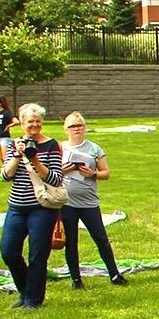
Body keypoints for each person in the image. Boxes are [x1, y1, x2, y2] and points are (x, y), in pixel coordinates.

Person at [0, 104, 65, 309]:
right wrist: (19, 155)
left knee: (37, 254)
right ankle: (25, 291)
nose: (34, 125)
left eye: (38, 121)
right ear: (22, 122)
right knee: (8, 251)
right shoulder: (13, 144)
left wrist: (35, 159)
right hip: (17, 207)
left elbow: (55, 179)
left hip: (42, 208)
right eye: (30, 121)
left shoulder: (51, 145)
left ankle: (33, 300)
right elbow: (5, 176)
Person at [59, 112, 125, 288]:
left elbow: (106, 173)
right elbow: (49, 174)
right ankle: (76, 279)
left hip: (89, 203)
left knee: (101, 238)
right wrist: (63, 171)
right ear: (66, 129)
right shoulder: (60, 148)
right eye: (73, 126)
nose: (77, 129)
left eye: (80, 125)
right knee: (71, 241)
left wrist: (93, 173)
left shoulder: (94, 148)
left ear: (85, 128)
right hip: (67, 203)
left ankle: (114, 274)